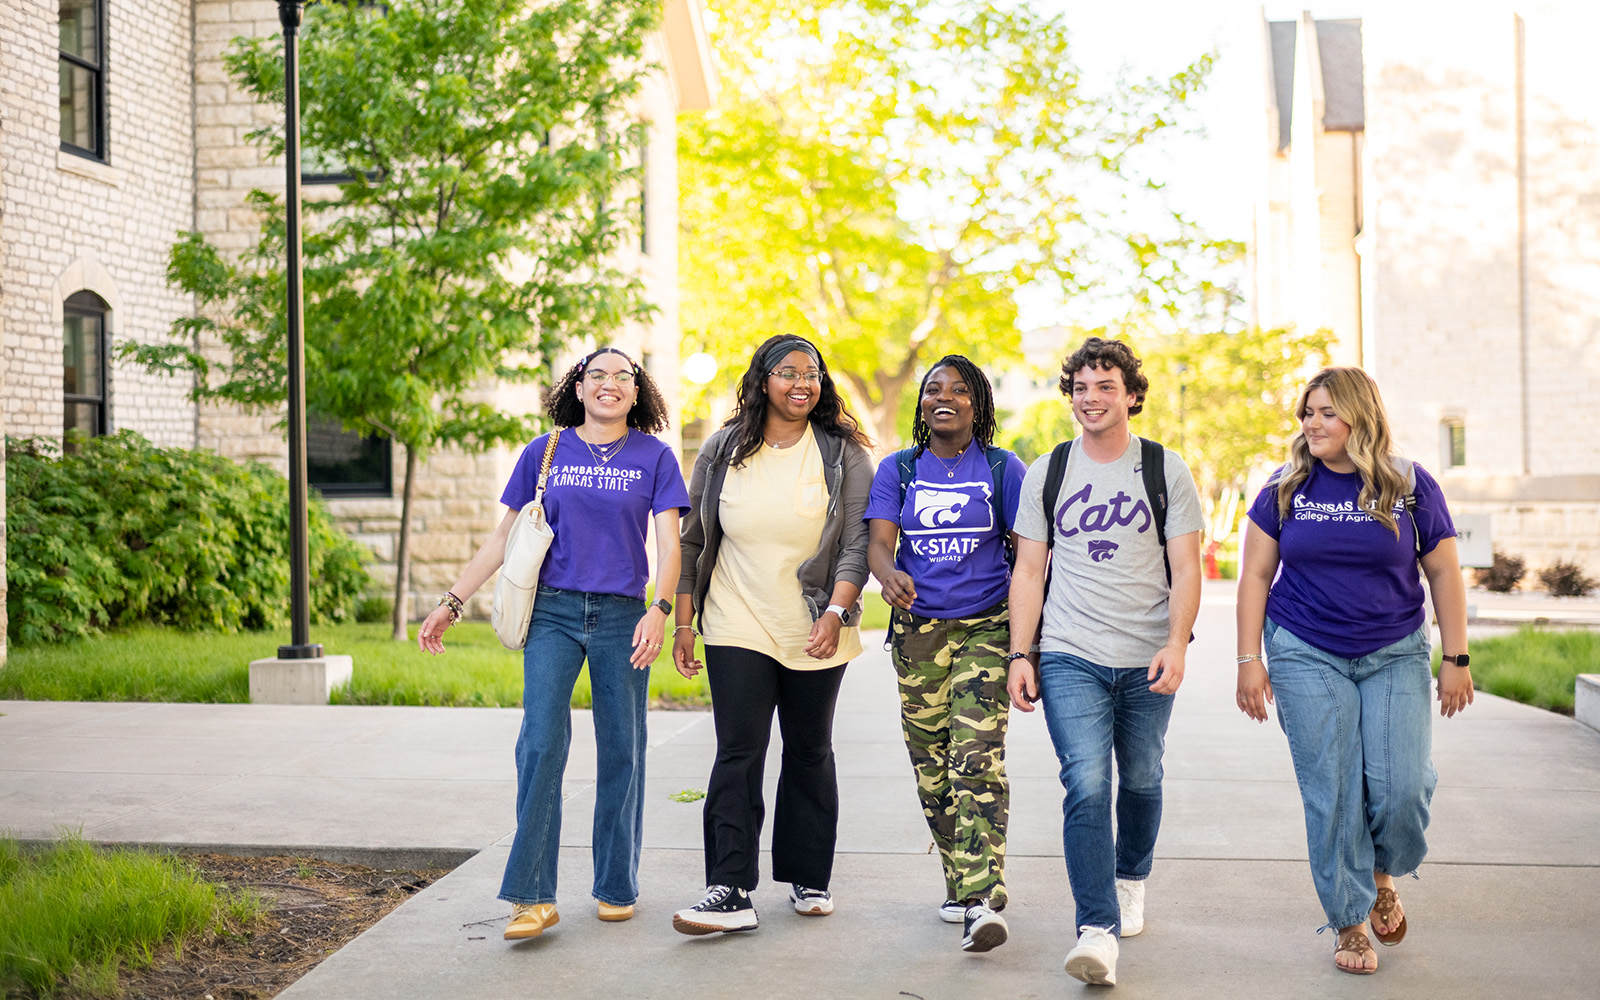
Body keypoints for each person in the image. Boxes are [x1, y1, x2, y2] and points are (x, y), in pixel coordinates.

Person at [417, 347, 689, 941]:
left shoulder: (655, 457)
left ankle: (616, 884)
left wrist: (659, 611)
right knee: (540, 744)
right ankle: (532, 897)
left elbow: (671, 548)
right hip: (553, 613)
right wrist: (452, 602)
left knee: (623, 748)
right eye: (598, 375)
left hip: (622, 616)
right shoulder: (545, 451)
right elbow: (502, 540)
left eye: (624, 377)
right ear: (579, 386)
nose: (610, 384)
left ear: (637, 392)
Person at [1235, 366, 1472, 975]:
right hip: (1304, 649)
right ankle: (1349, 922)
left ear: (1359, 417)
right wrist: (1248, 660)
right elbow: (1255, 577)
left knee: (1403, 788)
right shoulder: (1285, 486)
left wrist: (1455, 658)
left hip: (1393, 649)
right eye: (1307, 412)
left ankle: (1383, 871)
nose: (1312, 423)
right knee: (1333, 791)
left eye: (1326, 413)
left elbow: (1444, 572)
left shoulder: (1407, 483)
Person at [1006, 336, 1203, 987]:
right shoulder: (1049, 470)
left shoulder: (1164, 469)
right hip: (1070, 654)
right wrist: (1020, 653)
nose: (1090, 399)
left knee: (1142, 776)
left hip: (1147, 657)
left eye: (1105, 387)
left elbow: (1185, 565)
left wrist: (1177, 642)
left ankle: (1130, 878)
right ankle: (1097, 926)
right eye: (1081, 388)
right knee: (1087, 781)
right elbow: (1030, 569)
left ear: (1132, 395)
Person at [669, 334, 875, 935]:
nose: (801, 384)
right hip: (736, 619)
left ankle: (808, 875)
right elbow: (692, 540)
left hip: (816, 621)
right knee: (739, 749)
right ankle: (728, 887)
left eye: (811, 374)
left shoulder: (842, 453)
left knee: (809, 749)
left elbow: (857, 544)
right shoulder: (724, 448)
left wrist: (835, 613)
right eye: (788, 373)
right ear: (762, 381)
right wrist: (685, 620)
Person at [864, 354, 1027, 954]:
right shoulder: (900, 468)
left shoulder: (1004, 468)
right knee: (931, 766)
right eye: (935, 388)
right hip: (917, 635)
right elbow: (880, 544)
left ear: (977, 405)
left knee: (974, 758)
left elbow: (1030, 554)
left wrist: (1024, 644)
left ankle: (984, 898)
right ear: (922, 403)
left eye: (959, 390)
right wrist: (888, 576)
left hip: (986, 626)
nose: (946, 396)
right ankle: (961, 885)